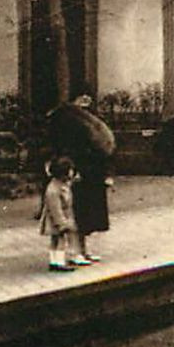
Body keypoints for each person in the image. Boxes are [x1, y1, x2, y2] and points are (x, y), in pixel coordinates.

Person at [46, 93, 115, 264]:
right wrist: (69, 169)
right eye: (82, 97)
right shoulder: (64, 118)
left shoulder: (88, 119)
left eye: (88, 97)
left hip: (91, 171)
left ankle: (83, 250)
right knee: (73, 213)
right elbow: (62, 147)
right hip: (75, 171)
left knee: (85, 214)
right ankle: (74, 251)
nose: (86, 101)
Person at [39, 155, 81, 272]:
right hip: (57, 219)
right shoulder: (54, 190)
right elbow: (55, 208)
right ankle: (59, 262)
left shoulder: (61, 185)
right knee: (60, 240)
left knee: (55, 240)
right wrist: (62, 223)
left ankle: (54, 261)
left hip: (61, 217)